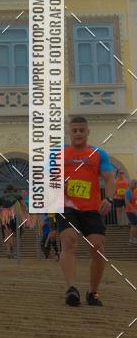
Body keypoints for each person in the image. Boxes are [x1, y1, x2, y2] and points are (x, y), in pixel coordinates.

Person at [55, 116, 115, 307]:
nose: (78, 133)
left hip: (91, 208)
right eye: (75, 130)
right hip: (67, 206)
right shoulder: (58, 153)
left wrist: (109, 198)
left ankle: (92, 292)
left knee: (98, 247)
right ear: (69, 132)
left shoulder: (99, 153)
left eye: (82, 130)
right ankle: (72, 288)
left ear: (88, 132)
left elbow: (109, 178)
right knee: (68, 241)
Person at [0, 184, 21, 258]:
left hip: (5, 217)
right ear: (13, 190)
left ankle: (8, 251)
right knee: (15, 235)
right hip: (15, 216)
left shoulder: (1, 197)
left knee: (6, 235)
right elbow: (23, 206)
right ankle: (14, 252)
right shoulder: (17, 196)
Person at [124, 180, 137, 247]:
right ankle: (132, 239)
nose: (135, 185)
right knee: (134, 225)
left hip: (133, 211)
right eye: (134, 183)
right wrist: (133, 209)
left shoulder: (133, 191)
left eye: (136, 184)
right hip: (130, 211)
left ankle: (133, 239)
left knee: (134, 225)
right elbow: (127, 201)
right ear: (130, 184)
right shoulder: (128, 191)